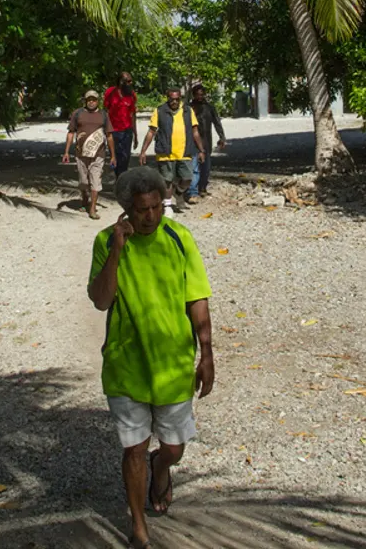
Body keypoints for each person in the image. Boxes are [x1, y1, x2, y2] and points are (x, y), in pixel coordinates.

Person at [87, 167, 214, 549]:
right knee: (133, 450)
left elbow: (197, 298)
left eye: (157, 207)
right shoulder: (107, 241)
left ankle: (163, 468)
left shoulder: (179, 237)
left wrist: (206, 353)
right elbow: (101, 300)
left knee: (173, 448)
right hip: (127, 366)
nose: (151, 216)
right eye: (142, 210)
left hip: (174, 362)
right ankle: (138, 525)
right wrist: (117, 252)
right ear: (127, 209)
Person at [138, 86, 204, 214]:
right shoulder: (160, 111)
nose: (174, 102)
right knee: (167, 180)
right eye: (171, 99)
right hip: (165, 152)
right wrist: (143, 151)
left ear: (180, 98)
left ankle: (178, 192)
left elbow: (195, 131)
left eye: (177, 99)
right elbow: (151, 131)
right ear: (167, 98)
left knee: (187, 178)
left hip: (184, 151)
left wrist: (201, 150)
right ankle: (167, 205)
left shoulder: (187, 111)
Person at [63, 90, 115, 219]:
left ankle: (92, 209)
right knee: (83, 182)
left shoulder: (103, 115)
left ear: (98, 101)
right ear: (85, 101)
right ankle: (85, 197)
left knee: (95, 181)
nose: (91, 101)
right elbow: (71, 133)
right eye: (89, 99)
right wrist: (66, 152)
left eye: (94, 99)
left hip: (99, 154)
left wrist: (113, 155)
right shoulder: (78, 114)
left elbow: (109, 136)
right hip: (81, 155)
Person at [185, 84, 227, 204]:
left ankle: (202, 188)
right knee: (194, 167)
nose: (200, 97)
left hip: (206, 141)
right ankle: (192, 191)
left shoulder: (209, 108)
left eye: (201, 94)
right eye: (197, 94)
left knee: (206, 167)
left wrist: (222, 137)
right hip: (192, 141)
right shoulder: (189, 108)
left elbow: (217, 122)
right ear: (193, 95)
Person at [104, 72, 138, 177]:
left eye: (131, 81)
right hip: (114, 131)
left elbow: (133, 115)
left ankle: (121, 179)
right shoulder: (110, 92)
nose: (130, 83)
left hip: (127, 131)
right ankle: (118, 177)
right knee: (115, 157)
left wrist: (135, 135)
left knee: (125, 157)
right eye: (127, 81)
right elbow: (105, 111)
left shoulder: (132, 94)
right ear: (120, 81)